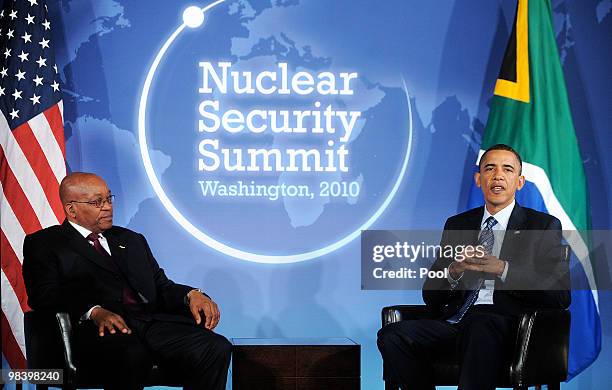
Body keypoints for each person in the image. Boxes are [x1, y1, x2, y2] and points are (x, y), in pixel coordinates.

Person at [377, 144, 570, 390]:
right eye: (490, 168)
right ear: (479, 179)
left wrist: (502, 269)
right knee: (393, 335)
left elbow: (559, 295)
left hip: (510, 327)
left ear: (520, 182)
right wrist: (453, 273)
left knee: (480, 325)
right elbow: (431, 296)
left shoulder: (542, 226)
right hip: (457, 321)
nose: (498, 175)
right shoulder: (459, 224)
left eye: (507, 170)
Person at [22, 172, 232, 390]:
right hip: (94, 332)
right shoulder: (46, 243)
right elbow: (43, 294)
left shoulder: (131, 240)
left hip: (149, 325)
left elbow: (161, 287)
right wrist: (94, 311)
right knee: (131, 353)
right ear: (71, 209)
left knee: (215, 347)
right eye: (97, 202)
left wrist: (192, 295)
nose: (107, 207)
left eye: (108, 199)